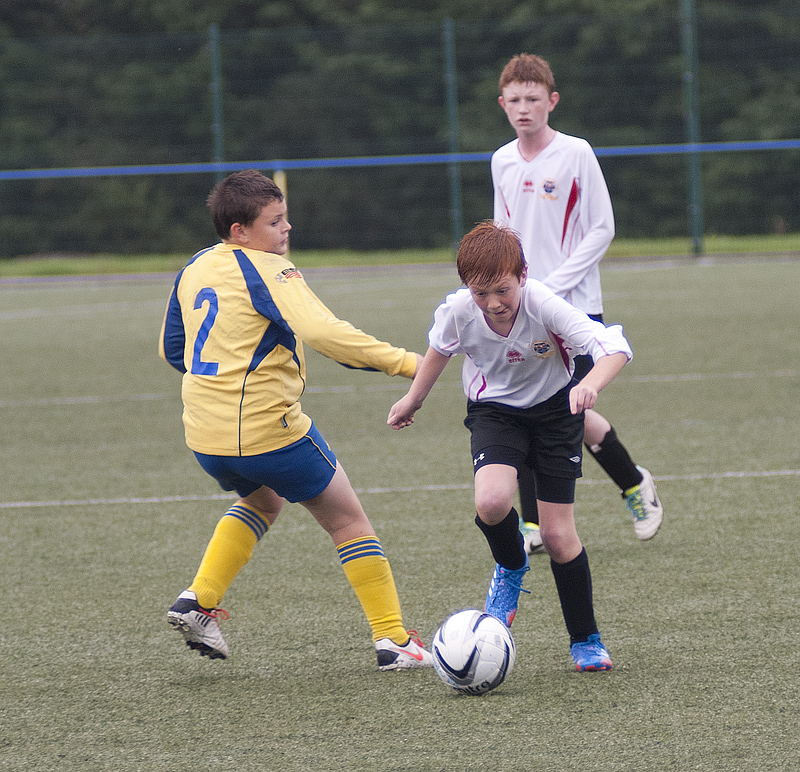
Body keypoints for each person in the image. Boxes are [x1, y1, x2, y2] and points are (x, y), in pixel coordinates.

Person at [159, 169, 433, 672]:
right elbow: (325, 334)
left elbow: (172, 349)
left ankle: (198, 603)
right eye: (274, 221)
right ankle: (393, 640)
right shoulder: (269, 269)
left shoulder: (195, 266)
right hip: (267, 431)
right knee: (347, 520)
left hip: (204, 435)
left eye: (285, 218)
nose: (287, 229)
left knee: (261, 500)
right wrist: (412, 363)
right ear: (240, 230)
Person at [388, 221, 631, 671]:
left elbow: (614, 346)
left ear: (522, 274)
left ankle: (586, 640)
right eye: (480, 293)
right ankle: (511, 568)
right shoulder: (461, 309)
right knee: (492, 501)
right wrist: (412, 399)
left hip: (557, 414)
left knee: (558, 536)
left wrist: (590, 385)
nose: (493, 304)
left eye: (502, 290)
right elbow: (440, 349)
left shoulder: (544, 304)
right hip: (495, 412)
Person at [492, 53, 663, 553]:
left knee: (564, 405)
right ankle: (533, 526)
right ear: (503, 104)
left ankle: (634, 484)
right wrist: (502, 286)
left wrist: (553, 286)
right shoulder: (501, 160)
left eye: (534, 99)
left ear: (552, 101)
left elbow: (602, 228)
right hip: (521, 305)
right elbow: (502, 232)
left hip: (574, 304)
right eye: (516, 100)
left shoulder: (576, 153)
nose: (525, 109)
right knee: (522, 399)